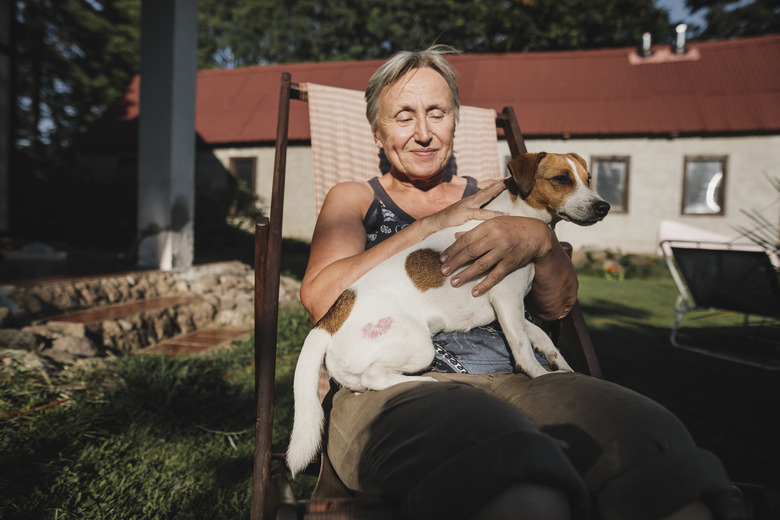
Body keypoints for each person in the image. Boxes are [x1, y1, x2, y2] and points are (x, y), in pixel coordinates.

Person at [299, 45, 731, 520]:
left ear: (455, 123)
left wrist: (540, 240)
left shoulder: (507, 195)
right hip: (395, 389)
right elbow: (321, 299)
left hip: (515, 375)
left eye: (437, 113)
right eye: (403, 117)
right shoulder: (355, 198)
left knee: (649, 438)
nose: (423, 133)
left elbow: (558, 306)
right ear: (378, 133)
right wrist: (430, 225)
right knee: (507, 469)